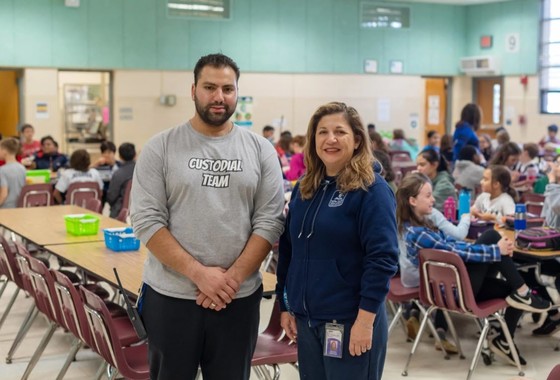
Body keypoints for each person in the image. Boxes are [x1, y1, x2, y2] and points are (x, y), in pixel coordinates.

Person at [130, 53, 285, 380]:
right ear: (193, 90)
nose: (219, 97)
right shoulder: (161, 147)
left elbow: (270, 221)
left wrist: (230, 280)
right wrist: (200, 274)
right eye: (210, 87)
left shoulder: (260, 150)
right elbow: (146, 220)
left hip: (237, 298)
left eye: (228, 89)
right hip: (170, 298)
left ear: (236, 93)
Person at [276, 102, 398, 380]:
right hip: (307, 321)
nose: (330, 139)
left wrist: (365, 322)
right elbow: (289, 251)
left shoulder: (372, 190)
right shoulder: (305, 188)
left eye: (339, 132)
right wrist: (285, 305)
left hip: (351, 321)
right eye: (322, 132)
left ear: (356, 140)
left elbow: (383, 259)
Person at [397, 173, 550, 366]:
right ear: (412, 200)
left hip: (447, 290)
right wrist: (496, 250)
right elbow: (457, 251)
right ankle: (524, 292)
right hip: (455, 293)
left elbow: (452, 244)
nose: (433, 199)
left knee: (512, 290)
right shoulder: (417, 234)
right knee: (491, 236)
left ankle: (506, 336)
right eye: (428, 195)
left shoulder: (416, 227)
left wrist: (496, 252)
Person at [106, 143, 136, 218]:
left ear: (120, 156)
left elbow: (111, 198)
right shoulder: (143, 170)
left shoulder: (118, 174)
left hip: (120, 215)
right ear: (135, 155)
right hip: (140, 213)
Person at [0, 138, 26, 208]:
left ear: (4, 151)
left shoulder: (2, 170)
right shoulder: (22, 168)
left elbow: (4, 194)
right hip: (20, 205)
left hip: (7, 206)